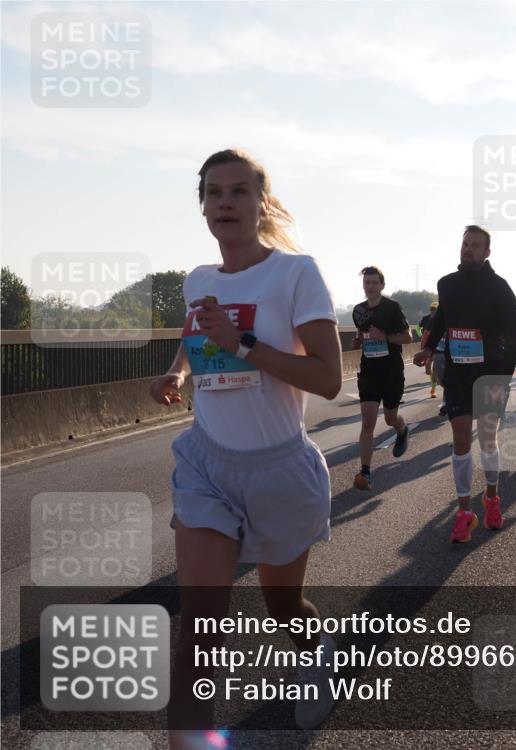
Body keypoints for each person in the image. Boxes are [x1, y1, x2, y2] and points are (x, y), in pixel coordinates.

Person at [149, 149, 342, 744]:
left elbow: (328, 380)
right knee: (201, 626)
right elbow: (194, 336)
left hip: (279, 468)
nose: (225, 201)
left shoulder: (295, 273)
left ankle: (318, 649)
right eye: (213, 192)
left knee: (283, 607)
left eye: (238, 191)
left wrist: (243, 341)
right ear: (203, 205)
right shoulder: (199, 281)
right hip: (208, 465)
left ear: (262, 203)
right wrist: (178, 372)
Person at [414, 225, 516, 543]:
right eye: (464, 244)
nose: (467, 249)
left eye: (475, 245)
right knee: (461, 439)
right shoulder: (446, 284)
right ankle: (464, 513)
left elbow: (513, 337)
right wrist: (429, 348)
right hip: (459, 374)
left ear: (487, 252)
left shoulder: (500, 288)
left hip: (489, 375)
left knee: (487, 440)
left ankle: (491, 498)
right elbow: (442, 319)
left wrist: (504, 377)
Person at [351, 266, 412, 490]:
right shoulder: (358, 310)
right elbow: (362, 333)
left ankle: (402, 429)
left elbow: (407, 337)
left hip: (391, 372)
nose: (370, 286)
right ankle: (365, 471)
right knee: (368, 421)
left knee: (389, 418)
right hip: (369, 371)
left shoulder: (393, 308)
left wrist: (384, 336)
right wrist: (358, 341)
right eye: (367, 283)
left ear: (382, 285)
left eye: (374, 282)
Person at [419, 302, 440, 397]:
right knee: (428, 370)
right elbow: (422, 332)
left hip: (438, 348)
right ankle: (434, 379)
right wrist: (422, 347)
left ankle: (433, 390)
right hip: (428, 346)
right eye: (432, 310)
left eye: (435, 310)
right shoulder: (428, 319)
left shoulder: (442, 318)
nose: (433, 312)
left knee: (435, 369)